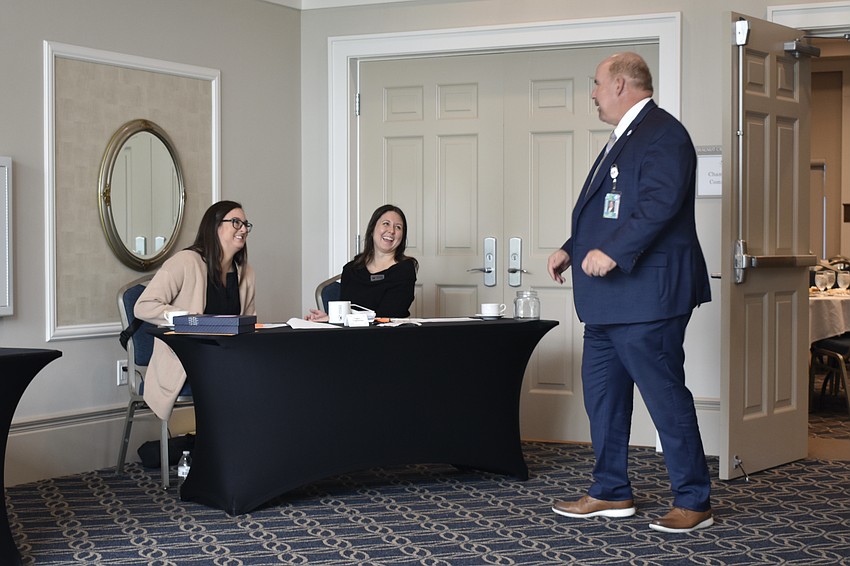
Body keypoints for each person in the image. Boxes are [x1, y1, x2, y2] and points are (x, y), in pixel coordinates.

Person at [546, 52, 713, 533]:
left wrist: (613, 253)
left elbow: (659, 205)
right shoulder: (626, 137)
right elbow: (612, 211)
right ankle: (610, 490)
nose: (593, 94)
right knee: (603, 398)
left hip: (649, 299)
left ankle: (693, 499)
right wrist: (570, 248)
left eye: (596, 84)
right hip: (608, 304)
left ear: (620, 84)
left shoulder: (665, 134)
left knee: (665, 399)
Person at [135, 200, 256, 420]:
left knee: (268, 377)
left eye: (246, 224)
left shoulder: (245, 272)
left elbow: (248, 324)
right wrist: (184, 317)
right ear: (215, 226)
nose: (244, 229)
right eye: (236, 222)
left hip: (227, 358)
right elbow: (143, 306)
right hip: (187, 361)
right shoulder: (186, 261)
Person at [306, 204, 417, 321]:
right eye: (386, 224)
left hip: (388, 335)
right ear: (372, 229)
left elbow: (388, 316)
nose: (391, 231)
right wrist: (332, 318)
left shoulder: (405, 270)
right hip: (352, 335)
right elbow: (345, 313)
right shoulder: (351, 269)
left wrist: (341, 318)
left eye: (398, 227)